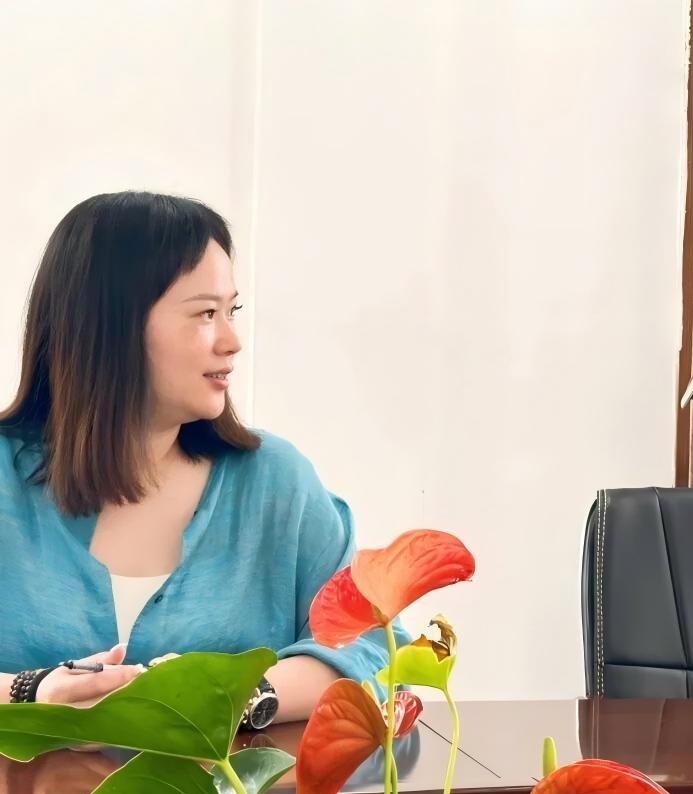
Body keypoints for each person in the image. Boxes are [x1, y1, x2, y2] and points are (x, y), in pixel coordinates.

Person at [0, 191, 406, 723]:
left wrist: (231, 695)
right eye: (206, 313)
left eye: (231, 311)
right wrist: (29, 693)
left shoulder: (277, 483)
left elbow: (377, 652)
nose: (232, 341)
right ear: (110, 326)